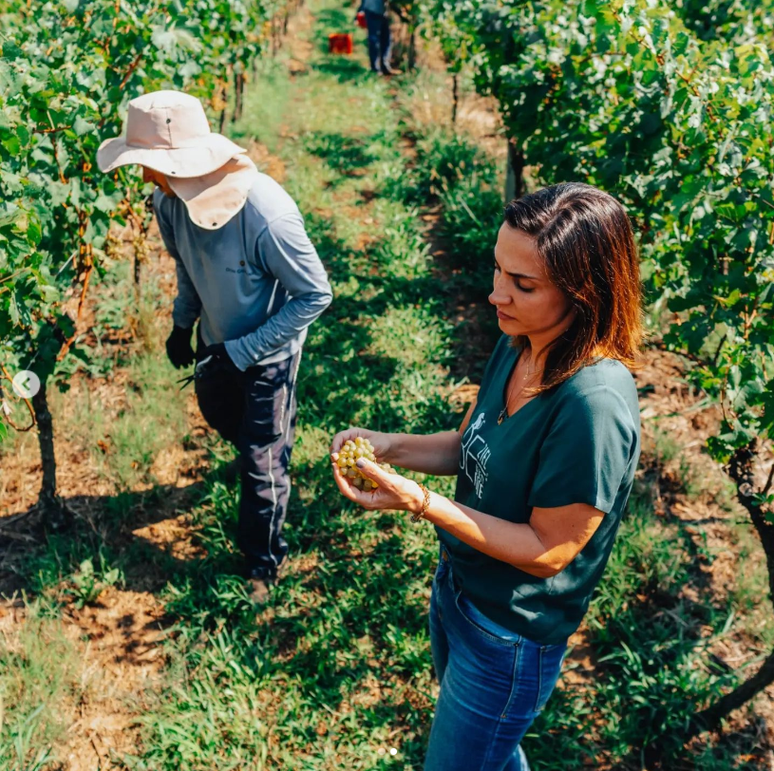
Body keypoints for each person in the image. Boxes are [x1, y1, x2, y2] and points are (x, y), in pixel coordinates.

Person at [330, 183, 642, 770]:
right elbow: (470, 445)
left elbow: (550, 550)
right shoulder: (521, 340)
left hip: (509, 634)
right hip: (460, 588)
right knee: (489, 754)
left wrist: (419, 503)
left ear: (584, 292)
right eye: (499, 270)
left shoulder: (593, 405)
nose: (497, 293)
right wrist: (389, 445)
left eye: (523, 285)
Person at [97, 90, 333, 602]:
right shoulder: (168, 203)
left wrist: (243, 352)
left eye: (148, 165)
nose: (141, 177)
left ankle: (262, 563)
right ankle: (266, 455)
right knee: (225, 420)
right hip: (215, 346)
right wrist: (183, 326)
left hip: (268, 357)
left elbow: (315, 295)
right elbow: (188, 268)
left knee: (261, 461)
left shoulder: (266, 214)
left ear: (179, 164)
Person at [357, 0, 396, 75]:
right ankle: (375, 68)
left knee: (386, 39)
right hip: (373, 10)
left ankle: (384, 66)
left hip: (381, 11)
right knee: (374, 40)